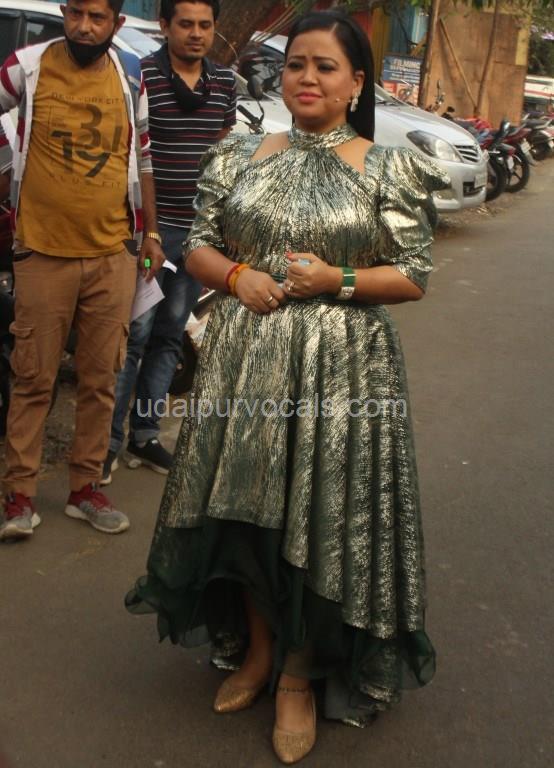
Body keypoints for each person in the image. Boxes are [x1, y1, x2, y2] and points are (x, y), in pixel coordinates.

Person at [126, 10, 450, 765]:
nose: (307, 77)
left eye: (325, 67)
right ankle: (260, 653)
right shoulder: (240, 152)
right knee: (246, 510)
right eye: (297, 64)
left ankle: (299, 679)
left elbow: (412, 275)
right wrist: (238, 275)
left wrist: (336, 278)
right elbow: (198, 245)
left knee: (321, 514)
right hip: (245, 361)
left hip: (343, 370)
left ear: (356, 83)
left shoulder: (386, 167)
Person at [0, 0, 163, 541]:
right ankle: (19, 496)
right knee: (33, 378)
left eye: (97, 18)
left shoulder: (130, 74)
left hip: (112, 254)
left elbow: (143, 155)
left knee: (101, 379)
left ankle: (85, 488)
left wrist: (151, 233)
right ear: (64, 12)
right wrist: (6, 169)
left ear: (117, 23)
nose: (84, 27)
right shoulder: (27, 67)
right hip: (42, 251)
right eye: (75, 14)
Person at [102, 0, 236, 485]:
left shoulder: (224, 83)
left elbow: (222, 152)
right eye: (186, 24)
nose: (196, 34)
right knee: (133, 337)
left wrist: (218, 226)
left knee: (169, 336)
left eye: (205, 25)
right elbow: (131, 154)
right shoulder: (142, 77)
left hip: (196, 237)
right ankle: (106, 444)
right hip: (148, 236)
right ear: (164, 26)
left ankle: (144, 435)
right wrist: (147, 231)